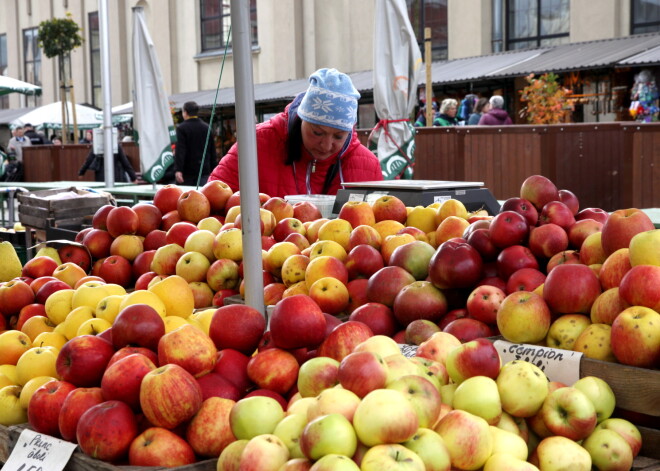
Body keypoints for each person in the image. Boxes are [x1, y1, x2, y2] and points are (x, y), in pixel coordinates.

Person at [208, 68, 383, 197]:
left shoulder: (368, 166)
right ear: (301, 119)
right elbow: (213, 204)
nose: (326, 145)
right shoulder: (255, 144)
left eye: (338, 136)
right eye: (317, 132)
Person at [173, 101, 217, 186]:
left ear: (185, 112)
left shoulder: (181, 128)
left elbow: (180, 150)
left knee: (187, 196)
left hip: (187, 171)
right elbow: (212, 151)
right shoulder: (206, 127)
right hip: (204, 170)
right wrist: (214, 169)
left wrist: (178, 170)